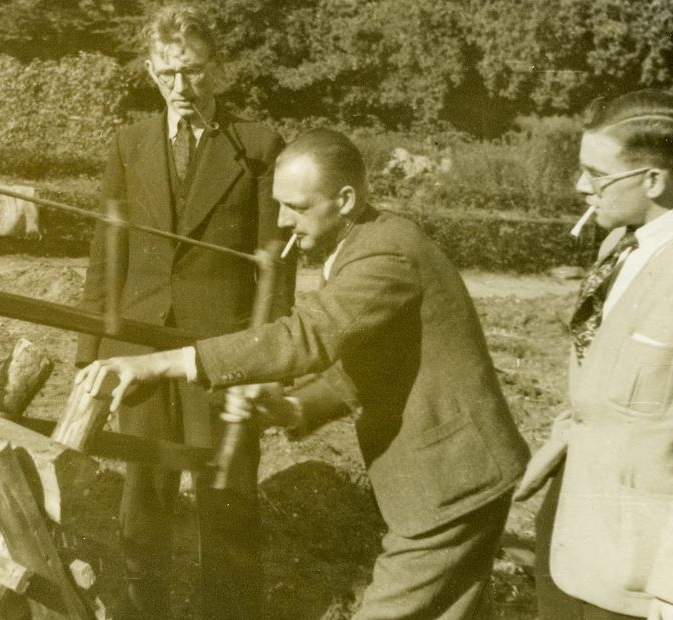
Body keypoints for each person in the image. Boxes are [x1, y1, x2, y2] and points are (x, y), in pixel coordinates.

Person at [78, 128, 531, 619]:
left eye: (296, 206)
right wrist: (291, 408)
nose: (281, 220)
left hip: (449, 482)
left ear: (345, 199)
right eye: (278, 204)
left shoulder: (386, 255)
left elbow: (308, 336)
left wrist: (159, 362)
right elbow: (368, 363)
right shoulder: (364, 243)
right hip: (459, 473)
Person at [75, 4, 294, 618]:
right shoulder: (128, 143)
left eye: (195, 72)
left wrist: (263, 362)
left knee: (226, 500)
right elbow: (105, 255)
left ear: (219, 72)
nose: (182, 88)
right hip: (137, 351)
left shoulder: (256, 147)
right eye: (169, 73)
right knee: (142, 501)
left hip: (220, 356)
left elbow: (273, 270)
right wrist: (89, 352)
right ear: (151, 72)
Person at [514, 89, 673, 620]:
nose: (581, 187)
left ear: (653, 180)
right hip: (572, 525)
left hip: (639, 559)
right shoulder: (617, 245)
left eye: (597, 175)